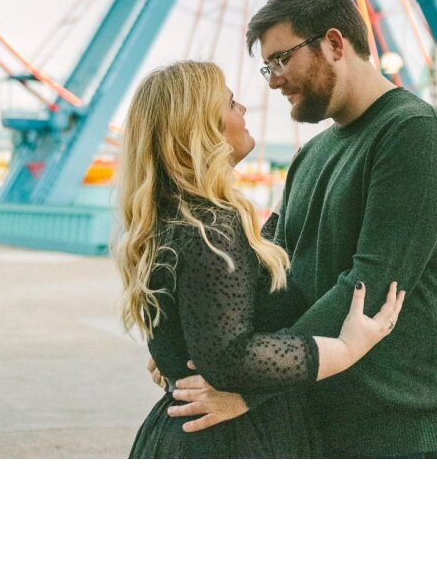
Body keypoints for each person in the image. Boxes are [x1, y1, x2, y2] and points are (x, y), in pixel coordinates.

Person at [167, 0, 437, 459]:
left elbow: (369, 288)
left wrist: (247, 388)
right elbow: (271, 277)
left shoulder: (415, 135)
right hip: (327, 427)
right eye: (267, 67)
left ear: (335, 44)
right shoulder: (311, 157)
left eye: (281, 59)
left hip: (416, 435)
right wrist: (198, 348)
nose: (273, 80)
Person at [117, 60, 404, 458]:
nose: (243, 110)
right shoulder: (212, 226)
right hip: (232, 440)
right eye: (231, 103)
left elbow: (210, 323)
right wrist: (346, 348)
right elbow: (231, 358)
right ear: (200, 126)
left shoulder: (174, 217)